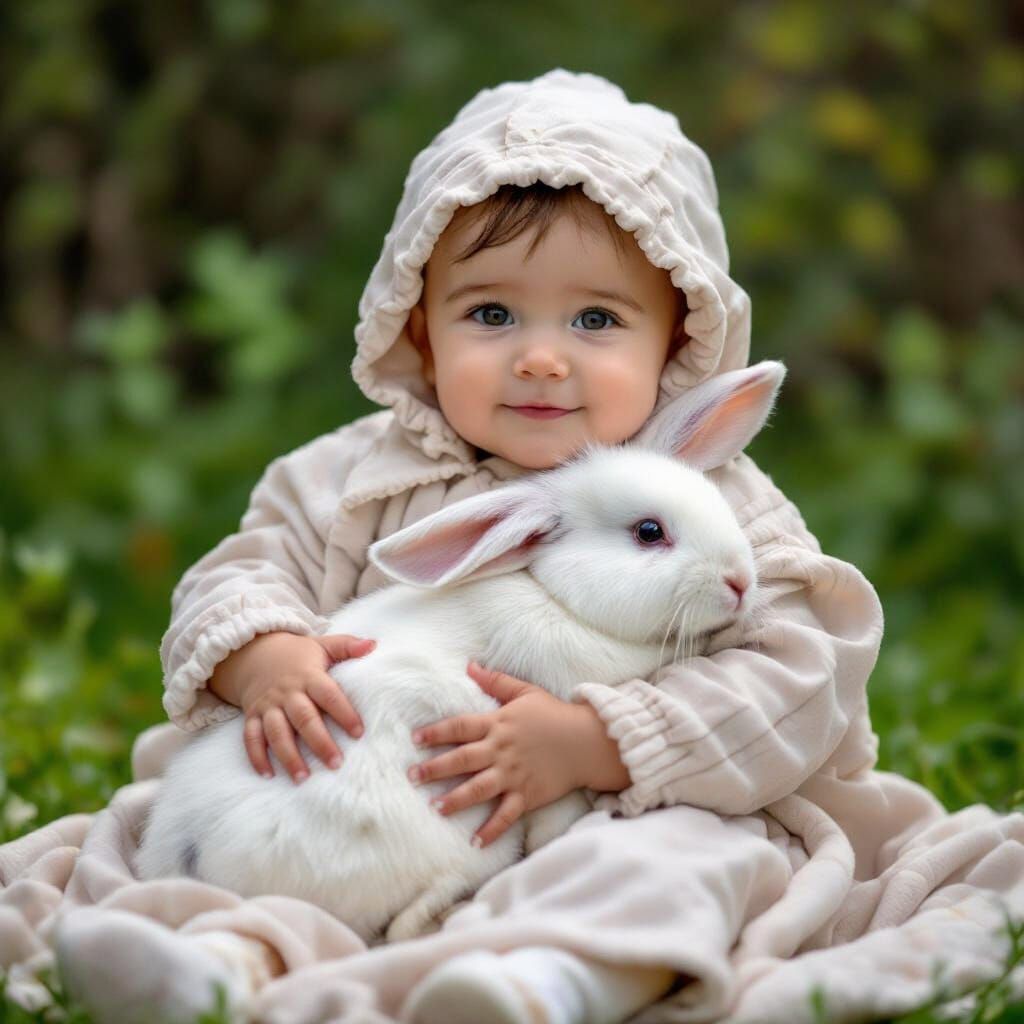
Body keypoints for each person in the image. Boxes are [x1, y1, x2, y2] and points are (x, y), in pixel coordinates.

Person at [49, 68, 996, 1024]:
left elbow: (802, 675)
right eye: (492, 315)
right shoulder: (346, 479)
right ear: (420, 330)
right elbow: (239, 571)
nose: (541, 358)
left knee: (689, 862)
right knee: (191, 826)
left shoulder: (714, 498)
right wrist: (265, 657)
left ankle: (550, 980)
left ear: (675, 342)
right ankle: (224, 961)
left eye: (595, 320)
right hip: (370, 799)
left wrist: (603, 744)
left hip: (631, 813)